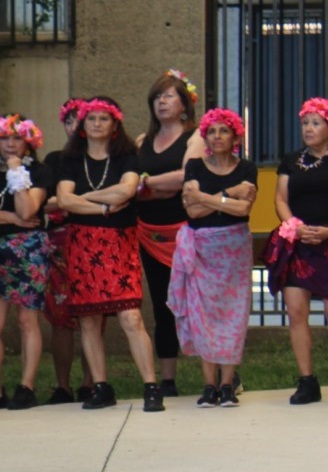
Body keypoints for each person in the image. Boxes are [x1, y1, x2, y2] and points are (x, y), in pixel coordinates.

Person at [54, 97, 165, 412]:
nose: (97, 124)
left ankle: (151, 386)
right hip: (82, 243)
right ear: (83, 126)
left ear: (115, 125)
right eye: (91, 119)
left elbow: (127, 191)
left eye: (104, 119)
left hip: (118, 241)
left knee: (130, 316)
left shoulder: (127, 157)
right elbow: (63, 200)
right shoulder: (70, 160)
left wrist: (84, 197)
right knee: (88, 320)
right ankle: (101, 386)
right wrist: (103, 205)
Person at [169, 108, 256, 408]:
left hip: (234, 250)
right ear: (205, 136)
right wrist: (229, 193)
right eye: (212, 131)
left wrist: (205, 199)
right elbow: (191, 212)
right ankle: (209, 386)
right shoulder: (194, 166)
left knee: (233, 314)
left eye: (224, 131)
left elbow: (243, 211)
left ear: (235, 136)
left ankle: (227, 385)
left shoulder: (247, 168)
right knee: (202, 315)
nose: (217, 136)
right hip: (201, 250)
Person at [134, 69, 208, 397]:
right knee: (164, 305)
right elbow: (129, 184)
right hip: (148, 233)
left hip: (186, 232)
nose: (162, 102)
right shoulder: (141, 141)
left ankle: (220, 374)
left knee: (198, 303)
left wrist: (148, 183)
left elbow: (185, 177)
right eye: (157, 97)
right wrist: (154, 187)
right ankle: (167, 379)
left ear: (185, 104)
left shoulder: (196, 137)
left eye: (169, 96)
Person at [0, 114, 53, 411]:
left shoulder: (40, 173)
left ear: (28, 142)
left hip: (28, 251)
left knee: (26, 320)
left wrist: (17, 171)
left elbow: (29, 206)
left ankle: (26, 386)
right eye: (4, 138)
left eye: (17, 138)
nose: (10, 144)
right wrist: (11, 219)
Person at [263, 97, 328, 405]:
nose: (309, 128)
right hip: (299, 242)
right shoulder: (291, 160)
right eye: (305, 123)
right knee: (297, 311)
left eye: (316, 123)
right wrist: (295, 226)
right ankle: (307, 381)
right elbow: (279, 199)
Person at [41, 99, 95, 405]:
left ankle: (91, 381)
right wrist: (70, 201)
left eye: (82, 120)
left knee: (93, 316)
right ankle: (63, 386)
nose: (76, 126)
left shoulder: (104, 159)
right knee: (60, 319)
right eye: (70, 121)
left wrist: (71, 200)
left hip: (95, 243)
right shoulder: (55, 159)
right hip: (60, 245)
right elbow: (45, 202)